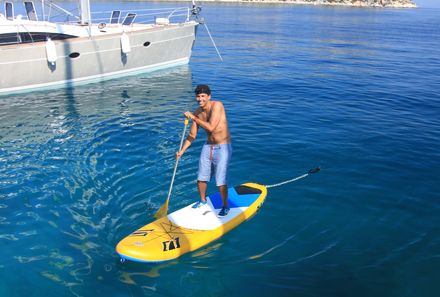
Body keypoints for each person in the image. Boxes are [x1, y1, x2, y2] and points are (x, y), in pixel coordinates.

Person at [176, 85, 232, 217]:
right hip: (208, 146)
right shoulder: (197, 112)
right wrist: (181, 151)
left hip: (223, 147)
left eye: (203, 96)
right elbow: (192, 136)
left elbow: (211, 127)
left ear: (209, 96)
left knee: (220, 179)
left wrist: (194, 118)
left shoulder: (217, 105)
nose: (200, 99)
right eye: (198, 96)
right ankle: (202, 200)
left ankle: (225, 206)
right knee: (201, 177)